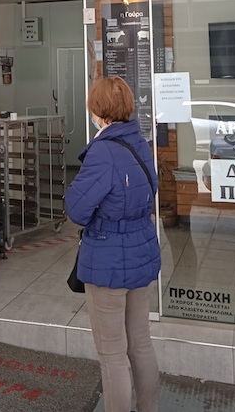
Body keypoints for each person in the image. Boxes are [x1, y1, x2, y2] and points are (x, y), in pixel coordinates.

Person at [65, 76, 161, 412]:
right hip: (141, 251)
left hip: (108, 261)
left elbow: (77, 210)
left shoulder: (103, 151)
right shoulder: (140, 143)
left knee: (112, 354)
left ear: (98, 111)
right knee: (141, 344)